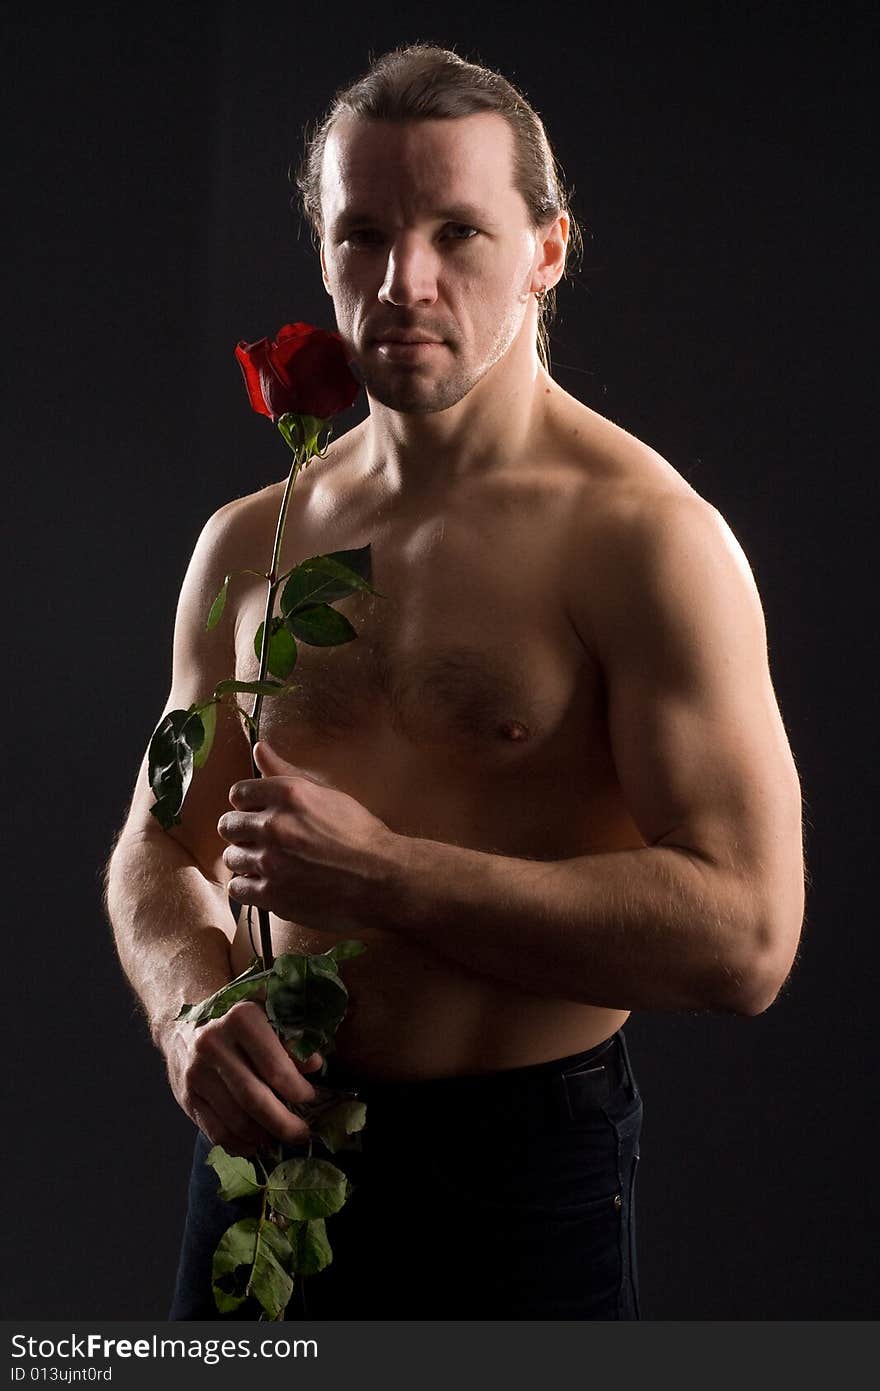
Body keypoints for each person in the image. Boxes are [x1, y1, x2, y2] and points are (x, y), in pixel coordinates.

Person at [104, 44, 805, 1321]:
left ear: (546, 251)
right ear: (320, 244)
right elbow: (158, 841)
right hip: (264, 1161)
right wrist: (186, 1006)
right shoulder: (253, 537)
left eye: (457, 232)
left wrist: (385, 877)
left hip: (519, 1172)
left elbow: (748, 933)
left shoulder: (642, 537)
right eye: (361, 232)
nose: (401, 281)